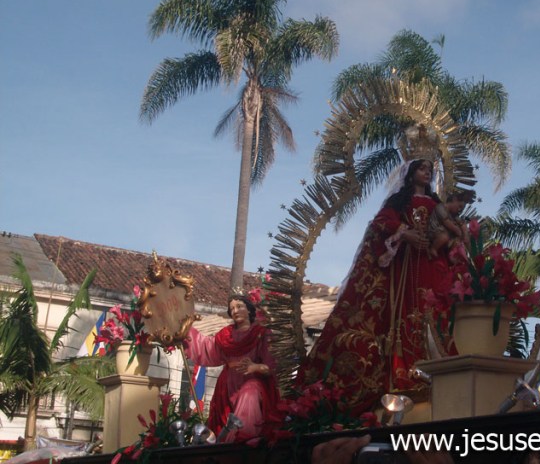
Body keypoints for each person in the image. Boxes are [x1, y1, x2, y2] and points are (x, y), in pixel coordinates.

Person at [298, 159, 455, 413]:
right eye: (422, 169)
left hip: (430, 266)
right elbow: (380, 224)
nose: (427, 173)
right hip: (404, 270)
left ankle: (440, 369)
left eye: (430, 170)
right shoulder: (399, 203)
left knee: (436, 315)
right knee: (406, 317)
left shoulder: (437, 205)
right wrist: (404, 233)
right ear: (411, 174)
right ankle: (403, 373)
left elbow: (450, 228)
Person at [184, 295, 280, 442]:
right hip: (228, 385)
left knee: (250, 393)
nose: (235, 311)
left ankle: (240, 439)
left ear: (249, 310)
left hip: (254, 381)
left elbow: (270, 367)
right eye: (232, 309)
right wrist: (185, 330)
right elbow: (206, 349)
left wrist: (255, 367)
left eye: (240, 306)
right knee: (224, 422)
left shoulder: (261, 333)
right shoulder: (225, 335)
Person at [428, 191, 469, 262]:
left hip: (444, 233)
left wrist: (465, 233)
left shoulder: (454, 215)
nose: (459, 210)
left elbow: (461, 223)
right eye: (459, 206)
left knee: (455, 242)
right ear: (454, 199)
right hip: (434, 230)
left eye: (461, 210)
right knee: (444, 237)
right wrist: (458, 231)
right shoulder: (440, 207)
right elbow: (448, 223)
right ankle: (433, 249)